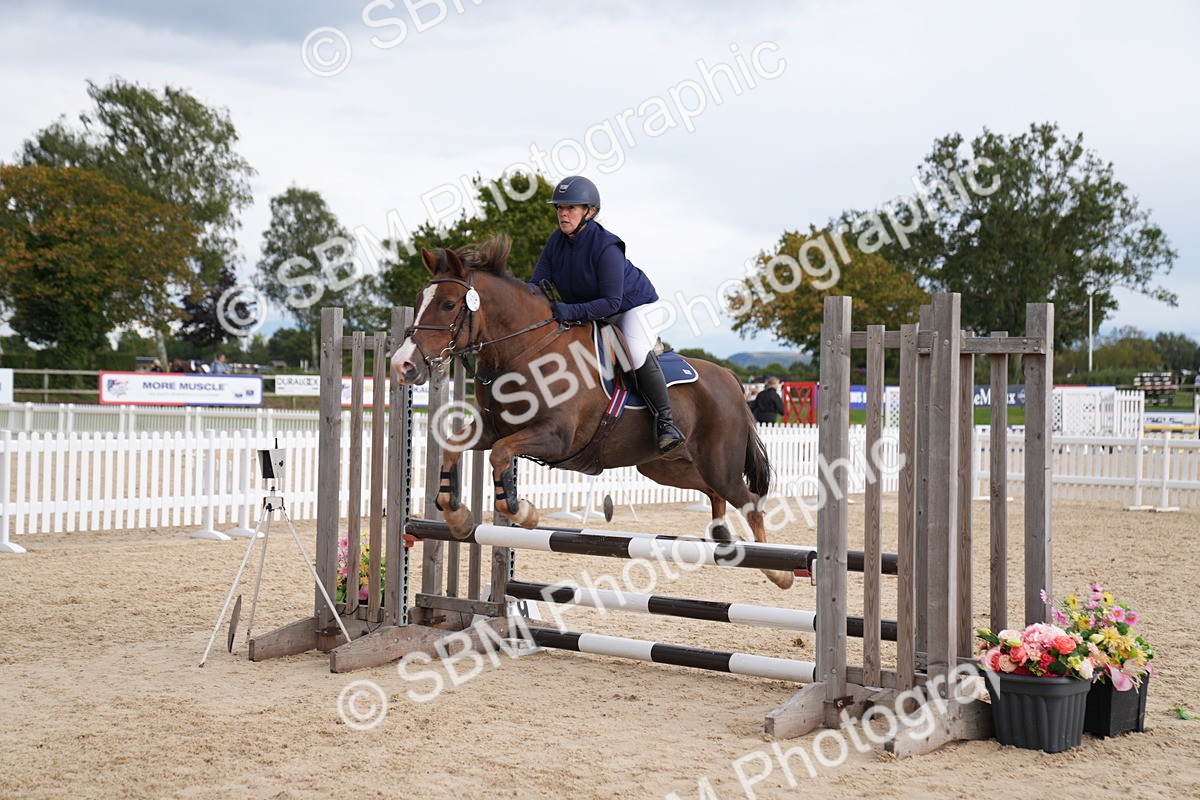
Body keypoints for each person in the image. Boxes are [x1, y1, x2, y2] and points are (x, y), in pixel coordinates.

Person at [529, 175, 684, 454]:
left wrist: (570, 311)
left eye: (571, 208)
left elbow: (612, 303)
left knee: (634, 352)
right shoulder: (556, 242)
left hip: (633, 308)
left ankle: (666, 423)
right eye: (560, 208)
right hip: (592, 312)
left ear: (590, 212)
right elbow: (535, 284)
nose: (563, 214)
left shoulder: (607, 246)